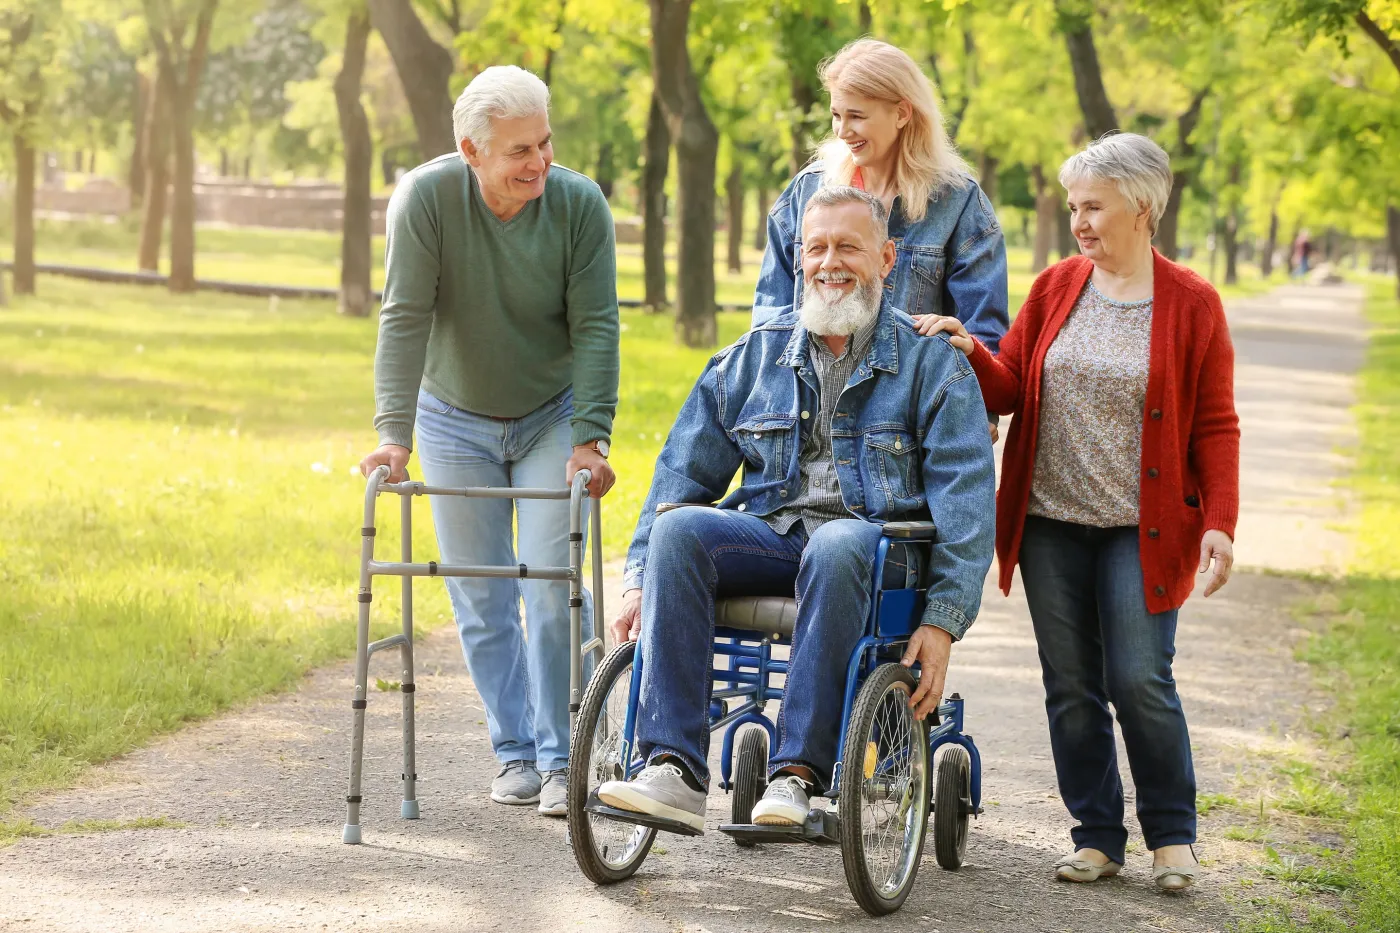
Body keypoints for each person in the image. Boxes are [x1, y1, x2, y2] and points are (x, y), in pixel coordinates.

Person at [594, 186, 995, 832]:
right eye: (817, 247)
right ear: (797, 255)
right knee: (679, 529)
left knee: (837, 542)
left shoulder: (932, 367)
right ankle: (673, 767)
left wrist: (944, 620)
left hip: (876, 555)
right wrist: (641, 576)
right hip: (777, 538)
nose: (830, 263)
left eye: (849, 247)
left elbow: (969, 507)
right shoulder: (755, 357)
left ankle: (796, 773)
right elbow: (681, 472)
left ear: (887, 258)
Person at [916, 133, 1240, 891]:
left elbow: (1215, 425)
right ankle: (1097, 835)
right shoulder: (1059, 284)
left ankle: (1172, 837)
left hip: (1141, 527)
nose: (1080, 221)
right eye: (1074, 206)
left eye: (1093, 205)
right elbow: (1011, 386)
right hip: (1052, 522)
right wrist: (969, 349)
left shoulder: (1191, 302)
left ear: (1143, 205)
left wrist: (1220, 518)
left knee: (1139, 679)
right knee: (1070, 684)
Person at [358, 65, 620, 818]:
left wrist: (590, 437)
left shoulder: (575, 206)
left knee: (548, 582)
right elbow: (403, 315)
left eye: (543, 142)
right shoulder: (427, 200)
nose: (538, 161)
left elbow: (597, 324)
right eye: (517, 151)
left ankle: (560, 753)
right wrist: (392, 436)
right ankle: (514, 753)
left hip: (550, 410)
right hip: (452, 415)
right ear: (472, 152)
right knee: (479, 595)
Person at [751, 39, 1009, 440]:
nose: (841, 130)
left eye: (856, 116)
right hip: (809, 414)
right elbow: (771, 314)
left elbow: (981, 332)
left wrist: (981, 416)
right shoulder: (807, 192)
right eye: (836, 114)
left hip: (909, 424)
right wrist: (767, 401)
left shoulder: (959, 202)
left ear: (902, 112)